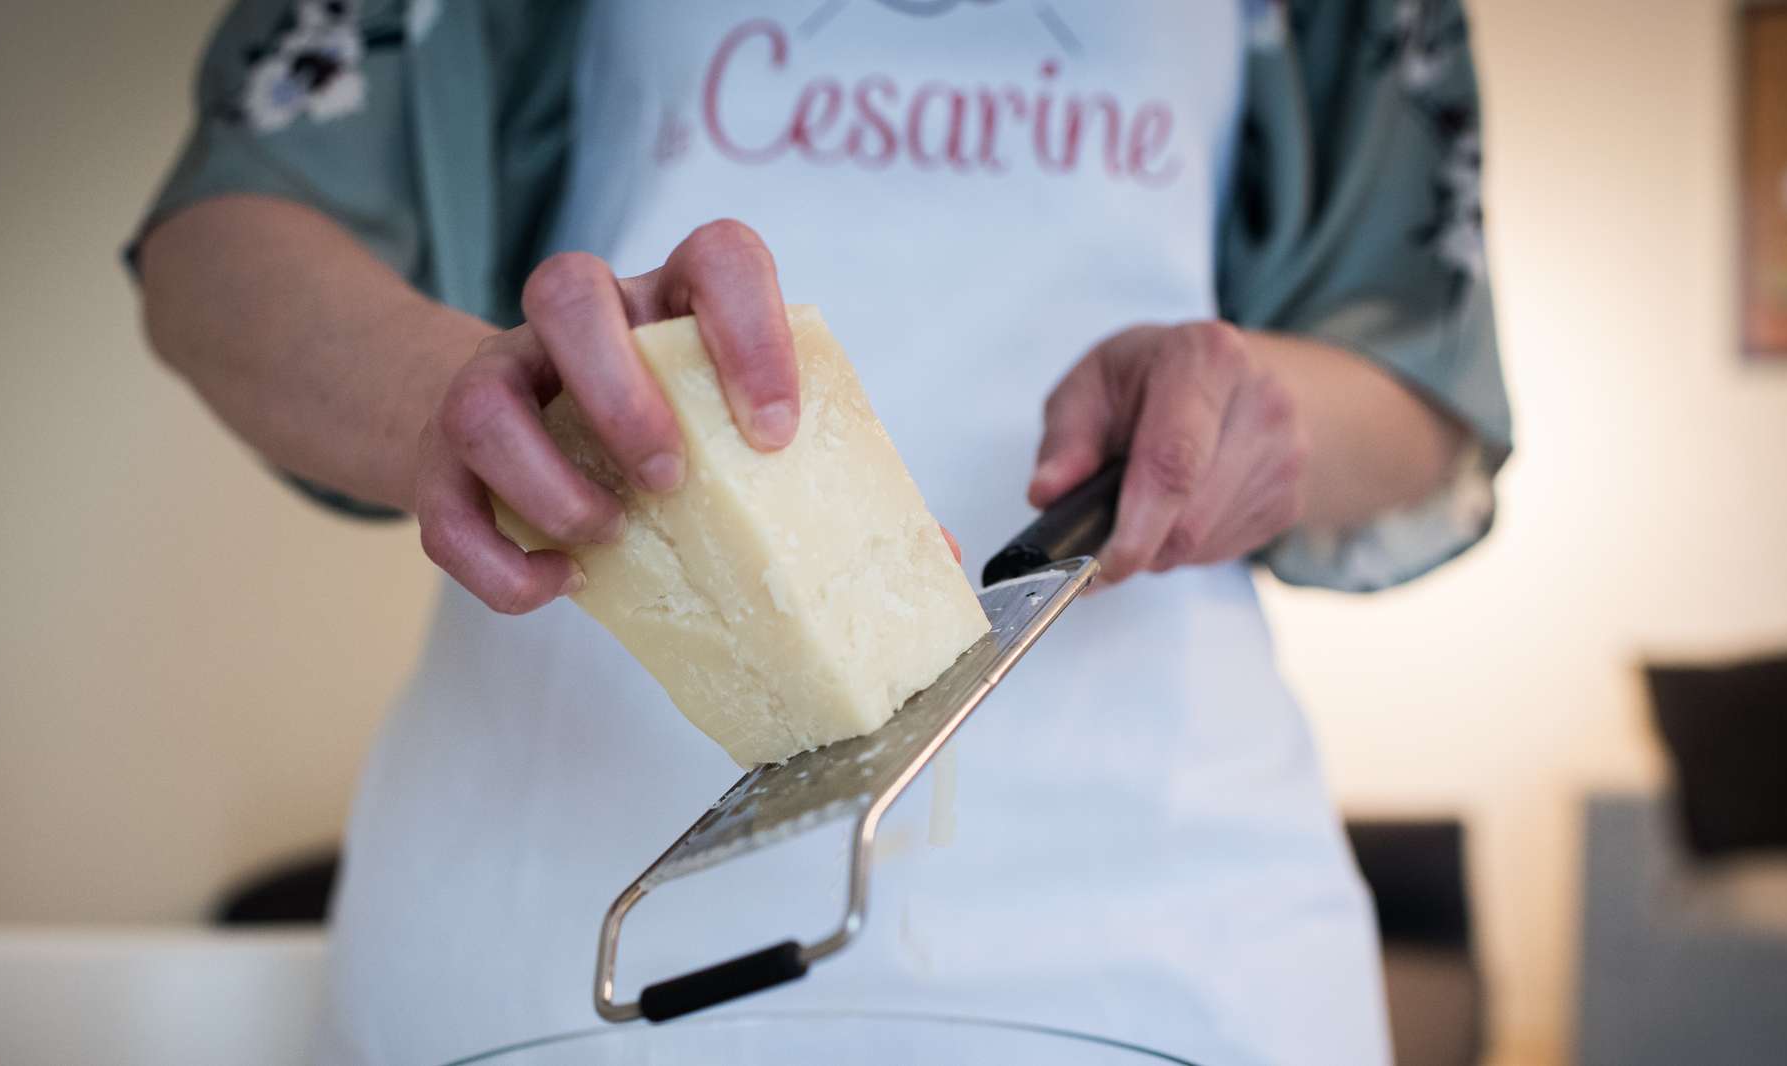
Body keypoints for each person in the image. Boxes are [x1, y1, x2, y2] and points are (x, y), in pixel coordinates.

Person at [128, 1, 1510, 1062]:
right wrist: (461, 402)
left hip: (1155, 900)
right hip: (558, 885)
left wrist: (1267, 414)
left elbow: (1423, 370)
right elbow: (228, 232)